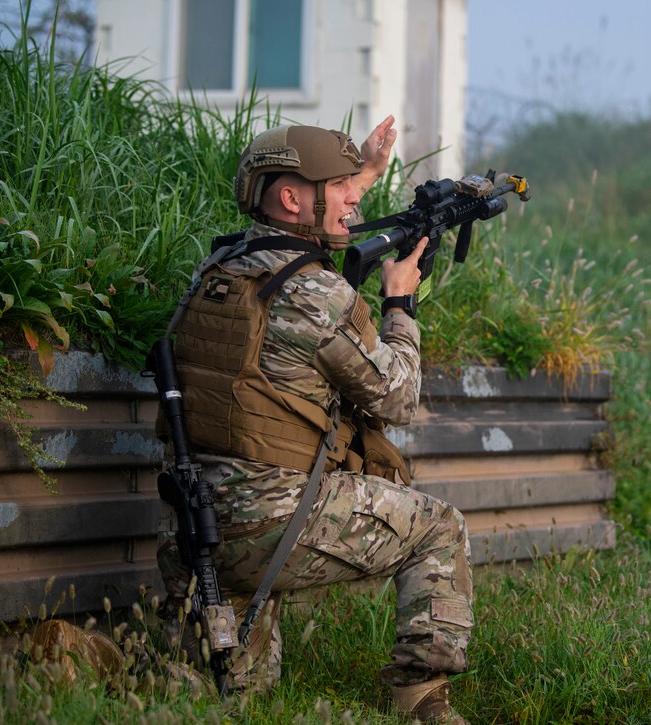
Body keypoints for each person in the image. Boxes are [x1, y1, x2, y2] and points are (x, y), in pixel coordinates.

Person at [156, 117, 473, 724]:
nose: (354, 194)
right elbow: (397, 396)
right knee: (440, 529)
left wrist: (370, 170)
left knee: (234, 700)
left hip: (198, 529)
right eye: (341, 183)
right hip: (271, 524)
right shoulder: (314, 294)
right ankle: (421, 697)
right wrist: (400, 304)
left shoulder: (218, 270)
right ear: (292, 198)